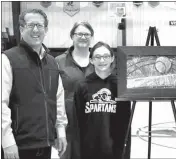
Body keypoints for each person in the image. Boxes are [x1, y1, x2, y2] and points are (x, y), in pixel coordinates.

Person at [1, 9, 68, 159]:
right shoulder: (7, 59)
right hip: (17, 146)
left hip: (45, 143)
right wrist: (6, 140)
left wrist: (60, 130)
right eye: (31, 25)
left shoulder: (52, 62)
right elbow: (1, 103)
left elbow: (58, 99)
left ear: (46, 29)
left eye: (40, 25)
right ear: (21, 28)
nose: (36, 30)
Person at [74, 41, 131, 159]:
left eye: (105, 56)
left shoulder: (121, 85)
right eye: (97, 57)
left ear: (112, 58)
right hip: (89, 149)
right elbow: (78, 121)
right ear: (91, 60)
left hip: (115, 149)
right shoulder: (82, 86)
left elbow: (126, 121)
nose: (102, 60)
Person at [55, 21, 95, 159]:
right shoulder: (58, 62)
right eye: (79, 34)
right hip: (69, 122)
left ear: (92, 37)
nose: (83, 37)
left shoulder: (100, 61)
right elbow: (52, 94)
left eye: (87, 34)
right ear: (72, 36)